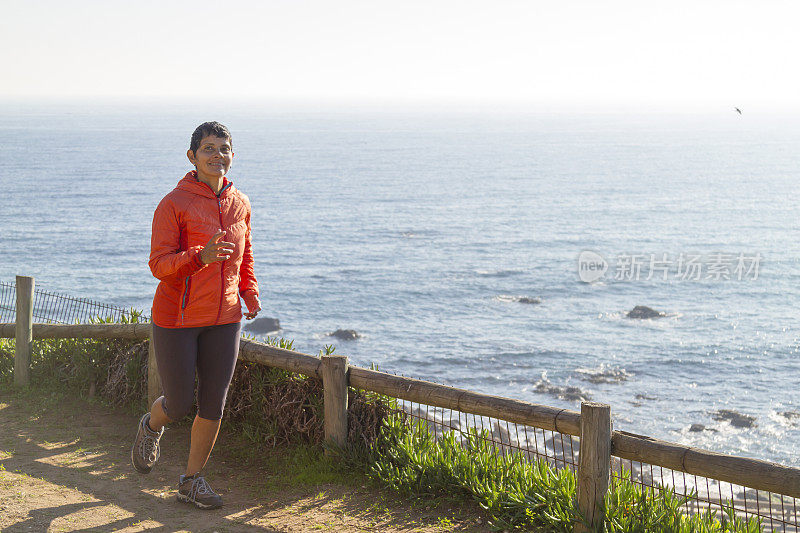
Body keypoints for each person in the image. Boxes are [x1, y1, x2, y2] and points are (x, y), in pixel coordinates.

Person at [131, 121, 261, 510]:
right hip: (177, 319)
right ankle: (151, 425)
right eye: (208, 148)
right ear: (192, 156)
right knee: (180, 403)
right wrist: (198, 257)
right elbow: (159, 264)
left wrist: (249, 293)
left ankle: (191, 481)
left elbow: (245, 255)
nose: (217, 155)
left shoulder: (242, 203)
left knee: (213, 403)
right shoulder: (174, 204)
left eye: (224, 148)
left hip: (225, 317)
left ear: (232, 155)